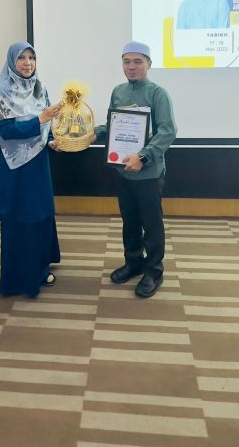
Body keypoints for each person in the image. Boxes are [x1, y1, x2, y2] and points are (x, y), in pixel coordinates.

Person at [99, 42, 177, 298]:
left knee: (151, 224)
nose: (131, 67)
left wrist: (143, 156)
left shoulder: (158, 94)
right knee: (130, 220)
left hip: (148, 173)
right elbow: (113, 125)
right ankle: (133, 262)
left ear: (149, 64)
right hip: (123, 171)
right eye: (126, 61)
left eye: (137, 61)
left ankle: (154, 271)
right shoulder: (118, 91)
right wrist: (92, 134)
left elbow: (168, 131)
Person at [0, 42, 63, 298]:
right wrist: (41, 118)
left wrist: (50, 140)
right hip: (16, 166)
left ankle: (40, 266)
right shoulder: (3, 89)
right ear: (12, 62)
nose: (27, 63)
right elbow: (6, 131)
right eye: (21, 58)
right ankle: (21, 278)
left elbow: (46, 127)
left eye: (31, 57)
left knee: (40, 212)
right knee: (20, 216)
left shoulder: (39, 87)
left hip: (38, 162)